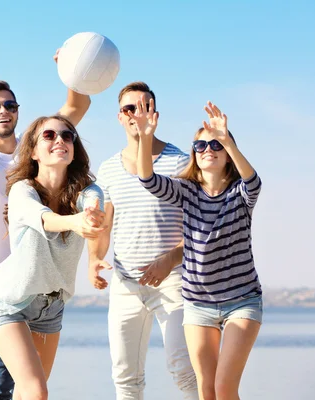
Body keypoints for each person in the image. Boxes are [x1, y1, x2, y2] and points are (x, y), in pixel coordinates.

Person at [0, 52, 91, 400]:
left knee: (31, 386)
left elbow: (77, 105)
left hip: (42, 275)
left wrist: (70, 68)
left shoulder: (41, 143)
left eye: (9, 104)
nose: (3, 111)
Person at [134, 99, 263, 400]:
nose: (208, 151)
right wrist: (144, 137)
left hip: (241, 300)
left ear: (227, 154)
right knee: (206, 389)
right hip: (197, 304)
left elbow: (254, 182)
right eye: (201, 146)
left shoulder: (240, 194)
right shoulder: (187, 191)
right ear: (194, 153)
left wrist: (228, 141)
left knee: (224, 387)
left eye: (215, 146)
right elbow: (147, 180)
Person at [0, 115, 106, 400]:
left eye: (67, 135)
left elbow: (92, 208)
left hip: (52, 305)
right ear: (34, 151)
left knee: (28, 394)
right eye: (49, 136)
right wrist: (77, 223)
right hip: (9, 302)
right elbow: (45, 219)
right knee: (36, 391)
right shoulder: (22, 191)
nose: (60, 140)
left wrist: (91, 219)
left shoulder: (88, 191)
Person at [88, 82, 198, 399]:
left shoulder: (180, 162)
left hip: (174, 280)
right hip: (125, 283)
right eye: (129, 108)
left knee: (184, 370)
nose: (137, 114)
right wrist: (94, 259)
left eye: (143, 106)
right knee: (125, 377)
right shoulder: (107, 169)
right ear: (119, 117)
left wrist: (169, 260)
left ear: (155, 113)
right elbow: (104, 225)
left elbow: (200, 227)